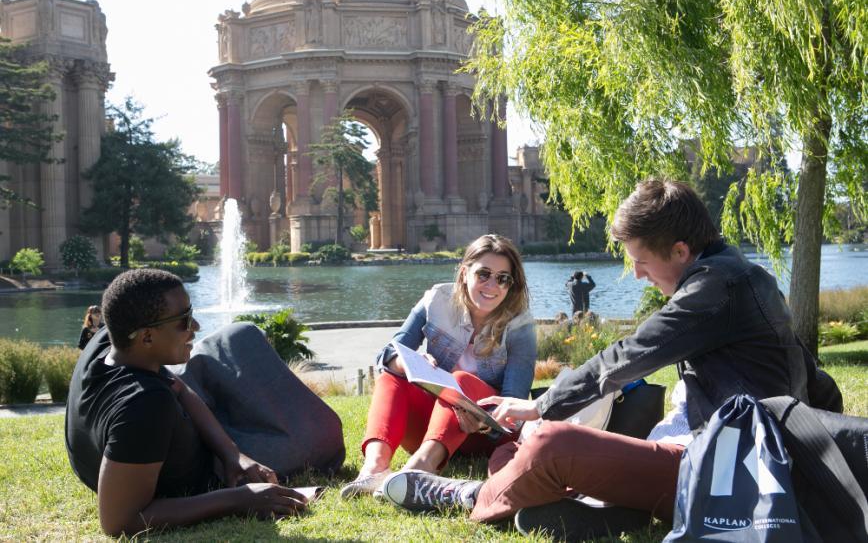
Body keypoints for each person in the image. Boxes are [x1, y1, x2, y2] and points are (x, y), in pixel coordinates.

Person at [380, 179, 840, 539]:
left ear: (680, 251)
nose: (636, 273)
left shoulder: (713, 289)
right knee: (521, 446)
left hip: (722, 465)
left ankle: (469, 494)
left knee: (549, 445)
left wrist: (541, 404)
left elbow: (628, 354)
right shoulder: (747, 276)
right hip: (721, 452)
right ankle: (611, 514)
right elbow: (816, 381)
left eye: (640, 261)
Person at [65, 269, 345, 536]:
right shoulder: (143, 405)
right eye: (184, 321)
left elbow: (179, 388)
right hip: (207, 469)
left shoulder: (112, 342)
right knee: (322, 435)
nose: (195, 327)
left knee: (241, 333)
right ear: (147, 336)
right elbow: (119, 521)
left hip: (185, 439)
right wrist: (240, 498)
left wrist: (233, 453)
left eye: (191, 314)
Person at [340, 234, 537, 498]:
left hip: (485, 435)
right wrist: (406, 362)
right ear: (465, 272)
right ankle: (374, 470)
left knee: (462, 380)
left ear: (510, 285)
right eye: (484, 274)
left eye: (503, 278)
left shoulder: (520, 326)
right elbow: (387, 354)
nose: (492, 285)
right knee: (391, 375)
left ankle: (419, 471)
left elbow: (513, 409)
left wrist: (484, 424)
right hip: (435, 429)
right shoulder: (436, 301)